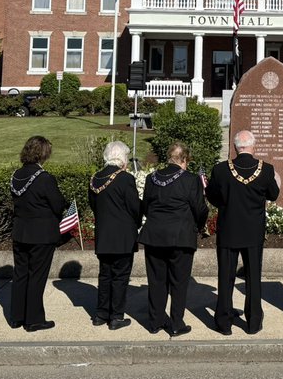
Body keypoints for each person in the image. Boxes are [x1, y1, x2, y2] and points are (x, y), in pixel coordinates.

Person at [206, 130, 280, 335]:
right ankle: (253, 321)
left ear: (236, 146)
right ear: (253, 146)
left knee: (225, 277)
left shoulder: (220, 169)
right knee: (253, 277)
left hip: (228, 230)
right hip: (253, 232)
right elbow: (273, 195)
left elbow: (211, 196)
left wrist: (227, 203)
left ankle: (224, 321)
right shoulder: (266, 170)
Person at [139, 142, 208, 336]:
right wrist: (199, 225)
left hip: (154, 236)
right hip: (181, 236)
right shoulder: (191, 179)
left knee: (156, 281)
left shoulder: (152, 178)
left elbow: (146, 205)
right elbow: (200, 208)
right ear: (184, 159)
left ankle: (155, 322)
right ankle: (176, 322)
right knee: (179, 282)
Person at [9, 136, 67, 332]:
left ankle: (17, 316)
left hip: (20, 231)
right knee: (36, 276)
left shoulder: (16, 175)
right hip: (41, 234)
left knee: (21, 274)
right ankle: (33, 319)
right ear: (44, 154)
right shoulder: (45, 178)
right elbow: (58, 205)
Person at [87, 139, 141, 330]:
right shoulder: (125, 178)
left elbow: (93, 206)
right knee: (120, 277)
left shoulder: (95, 178)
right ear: (122, 158)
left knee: (105, 275)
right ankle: (116, 316)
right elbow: (135, 207)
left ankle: (101, 314)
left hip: (104, 234)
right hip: (123, 236)